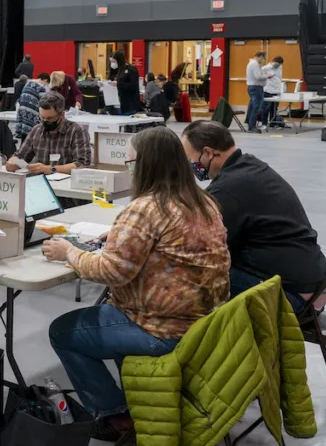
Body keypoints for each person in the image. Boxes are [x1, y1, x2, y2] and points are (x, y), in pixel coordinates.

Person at [45, 126, 230, 442]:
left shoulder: (145, 208)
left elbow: (111, 272)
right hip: (205, 323)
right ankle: (133, 402)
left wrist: (69, 252)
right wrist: (119, 239)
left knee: (62, 332)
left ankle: (115, 415)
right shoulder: (202, 200)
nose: (128, 169)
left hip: (164, 331)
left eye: (130, 163)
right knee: (107, 312)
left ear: (146, 164)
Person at [181, 121, 326, 313]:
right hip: (312, 282)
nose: (191, 166)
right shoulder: (250, 166)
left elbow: (203, 247)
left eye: (190, 159)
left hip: (292, 295)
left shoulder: (228, 190)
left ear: (208, 153)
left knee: (188, 279)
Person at [6, 92, 91, 175]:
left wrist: (51, 169)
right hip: (40, 183)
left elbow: (82, 164)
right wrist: (13, 162)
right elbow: (20, 156)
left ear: (62, 114)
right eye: (42, 117)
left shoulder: (77, 132)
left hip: (66, 184)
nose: (45, 121)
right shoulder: (37, 130)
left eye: (50, 118)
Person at [106, 51, 142, 116]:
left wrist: (118, 84)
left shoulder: (131, 69)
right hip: (119, 103)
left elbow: (134, 86)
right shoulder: (120, 70)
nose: (112, 64)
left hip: (129, 104)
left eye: (114, 61)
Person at [13, 76, 47, 140]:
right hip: (33, 118)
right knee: (33, 139)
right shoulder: (41, 88)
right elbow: (44, 104)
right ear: (45, 80)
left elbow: (19, 100)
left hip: (23, 115)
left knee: (24, 140)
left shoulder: (27, 84)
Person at [245, 51, 268, 132]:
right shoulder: (255, 64)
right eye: (263, 58)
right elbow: (258, 76)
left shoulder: (251, 63)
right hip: (256, 88)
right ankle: (252, 127)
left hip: (252, 87)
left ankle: (249, 122)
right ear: (260, 56)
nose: (263, 60)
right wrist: (267, 76)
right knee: (256, 108)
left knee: (252, 107)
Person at [262, 56, 285, 128]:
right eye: (277, 64)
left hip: (276, 91)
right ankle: (264, 124)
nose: (278, 65)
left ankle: (273, 123)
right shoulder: (265, 68)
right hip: (268, 91)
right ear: (273, 61)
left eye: (280, 64)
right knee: (266, 108)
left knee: (274, 109)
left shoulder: (280, 68)